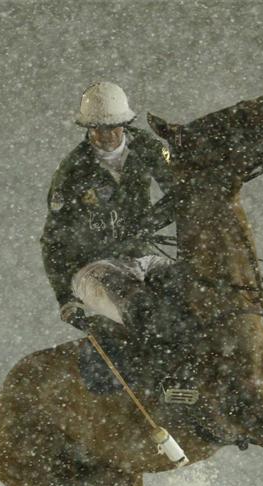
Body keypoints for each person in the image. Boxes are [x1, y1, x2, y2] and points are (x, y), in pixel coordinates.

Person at [40, 82, 175, 335]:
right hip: (93, 266)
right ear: (88, 127)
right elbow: (53, 240)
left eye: (113, 127)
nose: (106, 136)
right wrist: (66, 298)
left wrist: (149, 223)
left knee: (190, 288)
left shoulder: (146, 147)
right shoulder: (71, 171)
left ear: (125, 123)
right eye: (97, 128)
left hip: (141, 256)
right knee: (142, 309)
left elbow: (179, 194)